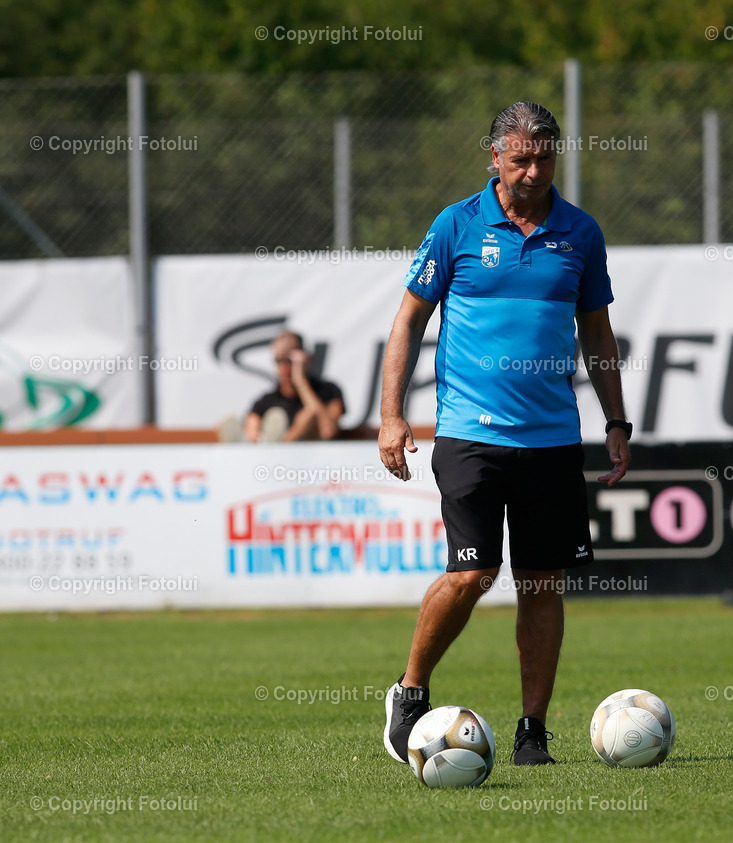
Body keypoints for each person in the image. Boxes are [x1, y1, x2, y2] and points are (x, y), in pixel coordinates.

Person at [378, 101, 632, 767]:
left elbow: (598, 334)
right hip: (469, 433)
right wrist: (392, 413)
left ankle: (532, 731)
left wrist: (615, 421)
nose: (532, 169)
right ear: (494, 156)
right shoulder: (456, 225)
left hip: (551, 439)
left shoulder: (580, 232)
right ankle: (409, 689)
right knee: (473, 572)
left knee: (541, 582)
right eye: (519, 157)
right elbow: (407, 320)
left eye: (543, 156)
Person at [228, 330, 344, 442]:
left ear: (304, 358)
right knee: (267, 421)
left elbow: (328, 431)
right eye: (278, 360)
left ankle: (278, 443)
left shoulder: (328, 391)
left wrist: (301, 381)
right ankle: (270, 442)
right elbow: (252, 430)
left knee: (308, 415)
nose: (283, 368)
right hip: (274, 459)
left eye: (289, 360)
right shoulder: (267, 400)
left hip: (316, 458)